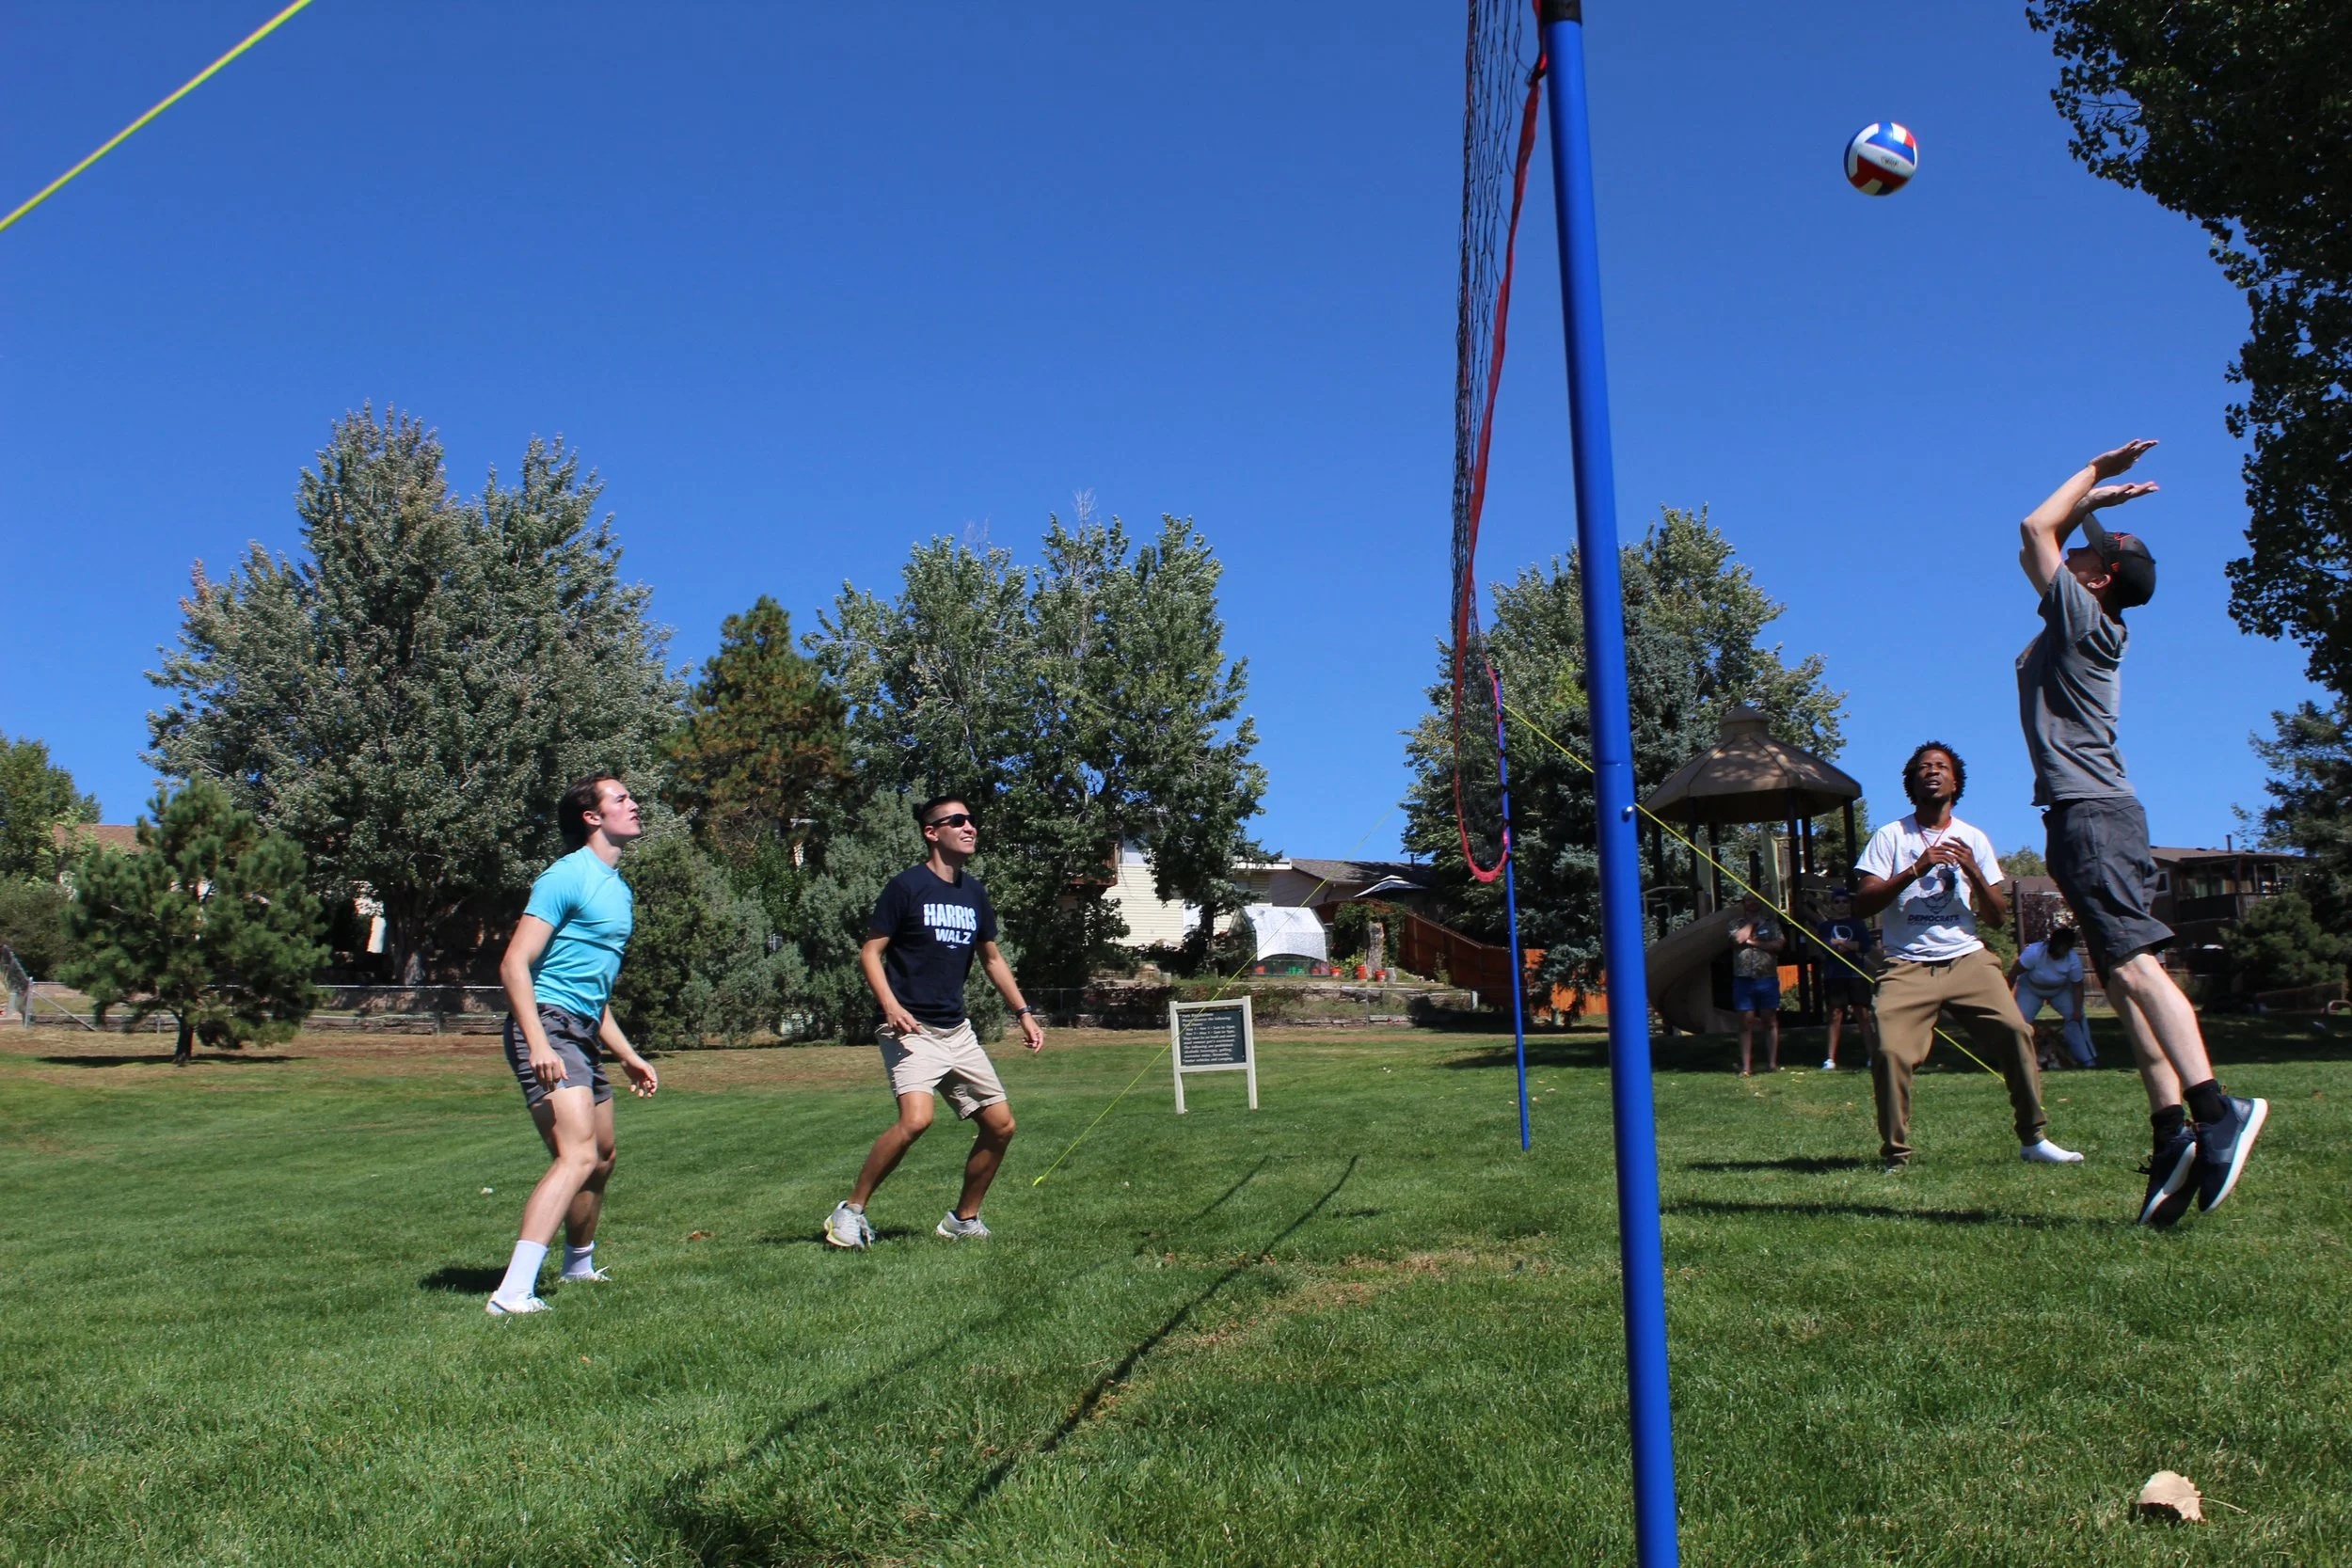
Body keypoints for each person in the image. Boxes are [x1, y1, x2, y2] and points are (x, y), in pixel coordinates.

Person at [2017, 440, 2267, 1225]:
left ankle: (2217, 1108)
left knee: (2137, 967)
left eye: (2088, 554)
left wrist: (2092, 473)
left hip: (2094, 813)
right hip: (2079, 814)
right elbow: (2050, 541)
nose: (2074, 554)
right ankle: (2171, 1132)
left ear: (2098, 580)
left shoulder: (2086, 616)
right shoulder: (2085, 613)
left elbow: (2033, 528)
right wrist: (2097, 511)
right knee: (2124, 979)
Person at [823, 795, 1046, 1248]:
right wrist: (889, 1004)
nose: (970, 827)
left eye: (972, 820)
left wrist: (1023, 1013)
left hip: (957, 1031)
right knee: (917, 1120)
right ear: (932, 832)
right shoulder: (906, 887)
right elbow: (870, 952)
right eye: (958, 821)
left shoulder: (974, 893)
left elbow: (992, 958)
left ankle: (963, 1220)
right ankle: (850, 1211)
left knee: (1001, 1125)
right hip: (911, 1028)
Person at [1854, 743, 2082, 1172]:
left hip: (1966, 959)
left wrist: (1974, 871)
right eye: (1923, 768)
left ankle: (2033, 1138)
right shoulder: (1890, 837)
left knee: (2017, 1030)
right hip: (1906, 964)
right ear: (1911, 783)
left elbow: (1997, 918)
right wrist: (1916, 868)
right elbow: (1862, 905)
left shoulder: (1973, 837)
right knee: (1890, 1052)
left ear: (1956, 782)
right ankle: (1896, 1156)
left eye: (1941, 767)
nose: (1932, 773)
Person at [485, 775, 660, 1317]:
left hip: (578, 1028)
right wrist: (539, 1044)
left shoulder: (618, 888)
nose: (634, 805)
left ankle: (578, 1264)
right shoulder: (566, 876)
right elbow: (515, 964)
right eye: (621, 799)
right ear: (592, 817)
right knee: (577, 1153)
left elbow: (593, 992)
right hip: (547, 1026)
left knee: (602, 1157)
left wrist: (628, 1054)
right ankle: (511, 1293)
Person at [1811, 886, 1878, 1071]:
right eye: (1837, 902)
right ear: (1831, 905)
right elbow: (1826, 948)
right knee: (1835, 1014)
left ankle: (1872, 1056)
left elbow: (1864, 945)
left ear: (1849, 904)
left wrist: (1842, 943)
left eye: (1844, 901)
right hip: (1834, 975)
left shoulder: (1858, 924)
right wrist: (1848, 946)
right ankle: (1830, 1059)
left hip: (1856, 974)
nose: (1841, 905)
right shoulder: (1825, 926)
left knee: (1862, 1014)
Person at [2011, 925, 2094, 1069]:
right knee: (2019, 1021)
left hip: (2060, 991)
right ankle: (2018, 1058)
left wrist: (2076, 1011)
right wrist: (2008, 998)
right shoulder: (2034, 952)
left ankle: (2087, 1058)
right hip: (2030, 989)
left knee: (2077, 1018)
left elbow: (2077, 987)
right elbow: (2013, 973)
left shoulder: (2073, 960)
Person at [1727, 892, 1783, 1077]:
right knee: (1745, 1021)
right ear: (1744, 904)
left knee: (1770, 1019)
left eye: (1756, 899)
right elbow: (1737, 940)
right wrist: (1751, 924)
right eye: (1749, 900)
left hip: (1766, 977)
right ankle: (1746, 1067)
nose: (1753, 903)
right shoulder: (1736, 924)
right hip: (1743, 978)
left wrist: (1753, 942)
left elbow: (1778, 945)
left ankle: (1772, 1063)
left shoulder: (1771, 923)